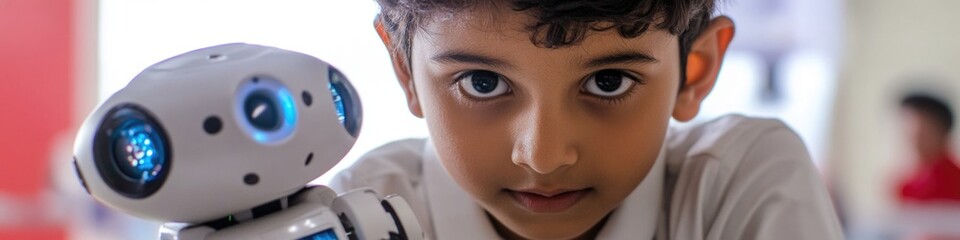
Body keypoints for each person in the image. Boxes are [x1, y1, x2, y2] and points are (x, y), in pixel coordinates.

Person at [330, 1, 843, 239]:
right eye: (481, 83)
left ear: (695, 71)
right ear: (405, 70)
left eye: (609, 82)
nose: (544, 155)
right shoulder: (359, 215)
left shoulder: (737, 181)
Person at [898, 93, 960, 202]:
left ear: (941, 131)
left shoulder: (956, 180)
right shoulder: (906, 187)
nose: (913, 137)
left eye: (923, 129)